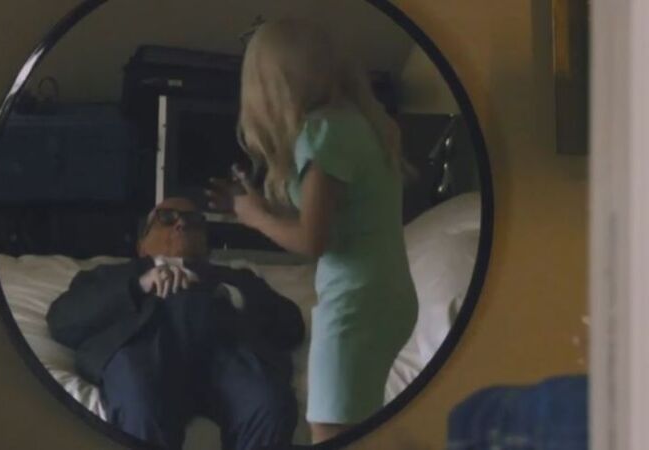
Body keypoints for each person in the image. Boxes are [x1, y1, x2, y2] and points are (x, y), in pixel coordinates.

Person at [207, 18, 419, 444]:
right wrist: (262, 206)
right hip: (386, 295)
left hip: (355, 302)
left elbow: (312, 240)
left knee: (329, 431)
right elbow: (338, 217)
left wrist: (254, 216)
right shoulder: (359, 123)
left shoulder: (322, 133)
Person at [46, 197, 304, 450]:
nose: (181, 224)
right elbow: (63, 320)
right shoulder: (113, 275)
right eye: (166, 218)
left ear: (206, 244)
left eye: (193, 221)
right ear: (141, 245)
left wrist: (231, 294)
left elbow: (292, 326)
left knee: (270, 403)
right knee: (140, 401)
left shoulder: (236, 278)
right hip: (143, 351)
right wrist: (140, 285)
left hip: (228, 354)